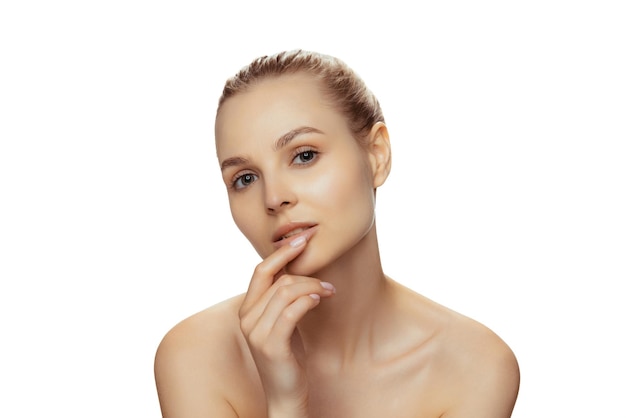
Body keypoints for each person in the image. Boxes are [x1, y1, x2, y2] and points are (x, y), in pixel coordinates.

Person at [154, 49, 520, 418]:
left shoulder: (475, 366)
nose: (275, 198)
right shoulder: (193, 355)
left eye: (304, 155)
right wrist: (284, 401)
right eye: (245, 178)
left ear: (377, 155)